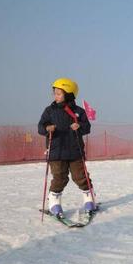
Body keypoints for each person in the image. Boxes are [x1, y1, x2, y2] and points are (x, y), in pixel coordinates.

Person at [38, 78, 95, 215]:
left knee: (81, 176)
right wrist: (47, 128)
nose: (55, 96)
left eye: (59, 93)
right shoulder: (49, 111)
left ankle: (89, 199)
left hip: (75, 151)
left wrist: (79, 126)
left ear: (68, 94)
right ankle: (54, 203)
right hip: (56, 152)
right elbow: (40, 127)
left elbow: (87, 128)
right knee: (59, 177)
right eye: (54, 93)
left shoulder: (79, 111)